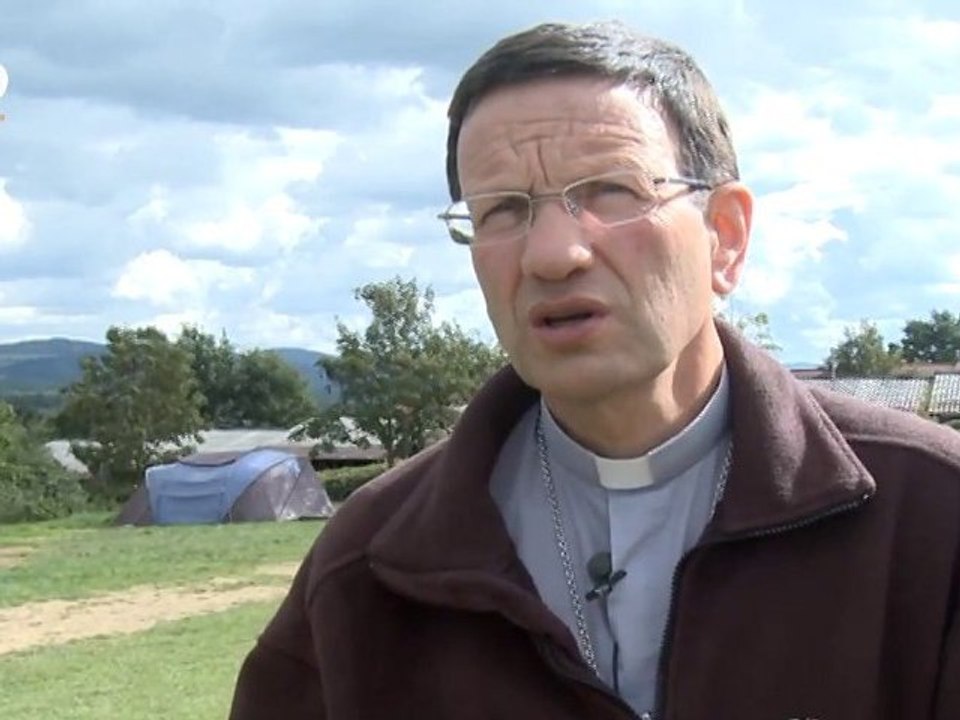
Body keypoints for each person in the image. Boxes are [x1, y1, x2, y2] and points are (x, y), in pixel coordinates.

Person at [230, 21, 960, 720]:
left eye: (612, 191)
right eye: (502, 209)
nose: (552, 254)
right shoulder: (373, 566)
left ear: (725, 238)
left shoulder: (929, 519)